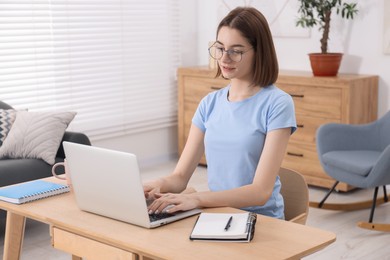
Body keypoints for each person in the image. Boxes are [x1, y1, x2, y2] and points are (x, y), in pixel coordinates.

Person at [144, 6, 296, 219]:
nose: (225, 58)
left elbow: (260, 192)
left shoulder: (278, 104)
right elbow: (179, 177)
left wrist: (196, 199)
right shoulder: (209, 103)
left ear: (258, 52)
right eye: (220, 48)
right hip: (218, 214)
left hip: (260, 219)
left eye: (236, 50)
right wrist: (156, 184)